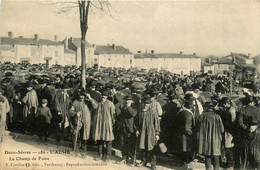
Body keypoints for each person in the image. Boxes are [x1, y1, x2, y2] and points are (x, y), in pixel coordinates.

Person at [87, 90, 115, 162]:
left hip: (107, 124)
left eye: (105, 96)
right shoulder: (98, 103)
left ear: (107, 97)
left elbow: (113, 115)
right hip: (99, 124)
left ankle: (108, 156)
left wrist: (112, 123)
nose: (103, 98)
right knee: (100, 139)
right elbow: (94, 105)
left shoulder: (110, 104)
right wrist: (90, 98)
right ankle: (100, 154)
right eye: (102, 96)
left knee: (108, 140)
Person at [234, 96, 260, 170]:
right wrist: (255, 128)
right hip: (256, 133)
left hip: (245, 134)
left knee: (245, 153)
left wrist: (247, 129)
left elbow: (240, 123)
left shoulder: (243, 110)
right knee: (256, 151)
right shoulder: (258, 110)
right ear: (253, 102)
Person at [198, 101, 224, 170]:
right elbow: (222, 129)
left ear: (206, 107)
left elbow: (198, 126)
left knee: (207, 156)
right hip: (216, 139)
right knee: (216, 156)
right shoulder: (217, 116)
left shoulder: (202, 116)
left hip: (206, 139)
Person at [137, 95, 160, 170]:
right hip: (143, 132)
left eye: (147, 104)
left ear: (150, 104)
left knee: (152, 147)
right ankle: (144, 161)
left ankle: (153, 164)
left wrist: (157, 134)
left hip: (151, 132)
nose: (146, 105)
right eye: (145, 103)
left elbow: (156, 124)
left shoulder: (153, 113)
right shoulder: (141, 112)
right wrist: (137, 130)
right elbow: (138, 123)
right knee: (143, 146)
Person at [116, 95, 137, 165]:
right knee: (123, 143)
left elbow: (133, 114)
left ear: (131, 101)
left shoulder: (134, 107)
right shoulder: (124, 107)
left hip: (130, 128)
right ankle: (124, 158)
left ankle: (131, 158)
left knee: (130, 144)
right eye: (127, 100)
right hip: (123, 127)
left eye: (129, 100)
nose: (128, 101)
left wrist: (128, 107)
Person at [69, 91, 91, 157]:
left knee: (84, 136)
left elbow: (95, 106)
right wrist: (76, 113)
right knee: (75, 135)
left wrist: (90, 98)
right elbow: (70, 111)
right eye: (80, 96)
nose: (81, 97)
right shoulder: (75, 102)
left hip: (86, 121)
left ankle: (83, 152)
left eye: (83, 96)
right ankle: (75, 150)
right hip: (77, 121)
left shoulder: (88, 102)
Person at [175, 100, 195, 170]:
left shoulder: (180, 112)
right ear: (191, 108)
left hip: (180, 133)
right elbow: (187, 128)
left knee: (182, 149)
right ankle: (185, 166)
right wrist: (191, 134)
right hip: (186, 135)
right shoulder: (188, 115)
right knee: (186, 150)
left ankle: (183, 165)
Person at [221, 97, 236, 169]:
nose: (222, 105)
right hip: (227, 130)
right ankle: (229, 162)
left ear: (226, 103)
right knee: (227, 146)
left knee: (228, 147)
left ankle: (230, 164)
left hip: (229, 131)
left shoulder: (231, 111)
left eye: (223, 104)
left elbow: (233, 122)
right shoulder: (228, 109)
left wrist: (231, 132)